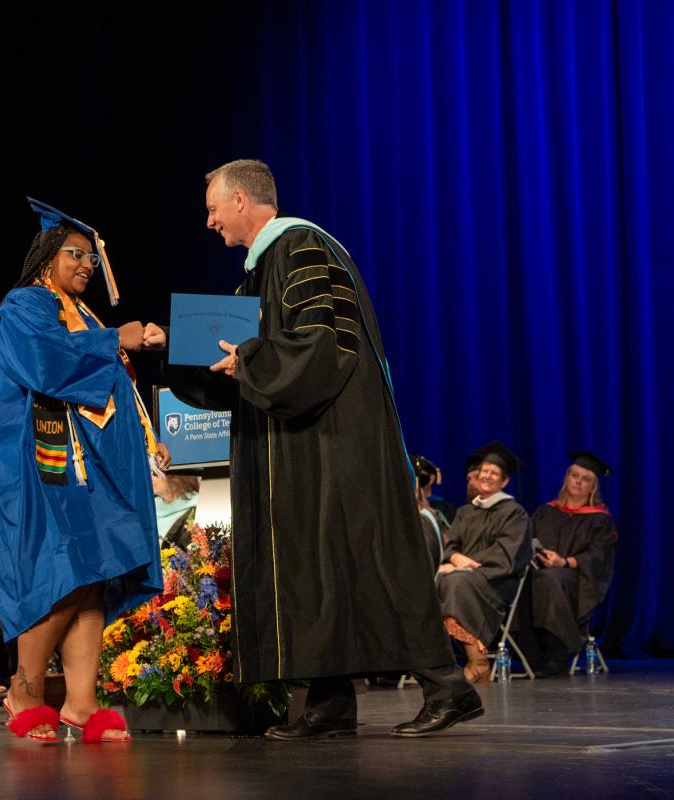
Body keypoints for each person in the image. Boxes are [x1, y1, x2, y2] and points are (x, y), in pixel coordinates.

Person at [145, 159, 480, 738]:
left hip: (338, 442)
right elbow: (238, 366)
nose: (209, 222)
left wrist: (249, 360)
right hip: (293, 449)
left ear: (242, 200)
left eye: (213, 209)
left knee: (370, 563)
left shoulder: (301, 248)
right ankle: (329, 703)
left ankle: (449, 689)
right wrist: (173, 346)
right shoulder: (256, 275)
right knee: (313, 570)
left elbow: (323, 344)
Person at [0, 198, 163, 743]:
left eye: (91, 259)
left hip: (81, 464)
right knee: (61, 573)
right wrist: (114, 339)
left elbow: (111, 390)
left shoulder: (84, 314)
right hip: (30, 460)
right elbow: (45, 361)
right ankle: (25, 689)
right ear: (47, 256)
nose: (86, 265)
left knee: (95, 571)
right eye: (75, 254)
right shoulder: (23, 305)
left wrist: (145, 437)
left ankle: (81, 703)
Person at [436, 441, 532, 682]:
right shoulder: (466, 512)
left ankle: (478, 661)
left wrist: (463, 563)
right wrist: (454, 557)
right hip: (465, 576)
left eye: (494, 473)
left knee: (455, 583)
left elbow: (506, 555)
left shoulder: (514, 513)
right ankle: (431, 666)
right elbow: (450, 545)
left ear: (504, 481)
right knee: (434, 581)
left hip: (496, 581)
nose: (487, 476)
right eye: (484, 471)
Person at [530, 451, 617, 676]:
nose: (578, 482)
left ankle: (556, 654)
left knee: (549, 578)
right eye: (574, 475)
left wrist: (564, 562)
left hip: (578, 581)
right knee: (523, 580)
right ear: (566, 478)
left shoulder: (600, 519)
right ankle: (529, 652)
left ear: (593, 487)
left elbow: (598, 556)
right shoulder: (545, 511)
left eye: (585, 479)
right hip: (539, 571)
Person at [152, 472, 199, 546]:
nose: (149, 478)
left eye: (155, 474)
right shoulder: (150, 508)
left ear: (176, 478)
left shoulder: (198, 510)